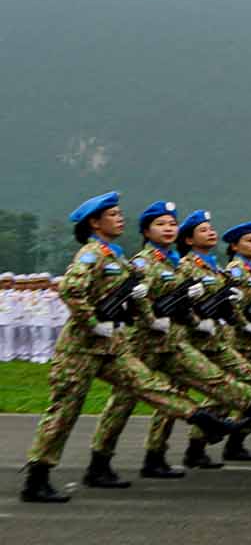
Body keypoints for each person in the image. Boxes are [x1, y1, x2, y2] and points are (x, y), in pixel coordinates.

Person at [20, 193, 239, 503]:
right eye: (112, 214)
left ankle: (202, 419)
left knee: (147, 384)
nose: (120, 218)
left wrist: (147, 317)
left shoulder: (116, 256)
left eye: (120, 214)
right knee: (64, 412)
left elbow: (133, 299)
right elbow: (70, 288)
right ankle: (37, 478)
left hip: (112, 345)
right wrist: (92, 320)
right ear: (95, 222)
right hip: (81, 348)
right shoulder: (92, 254)